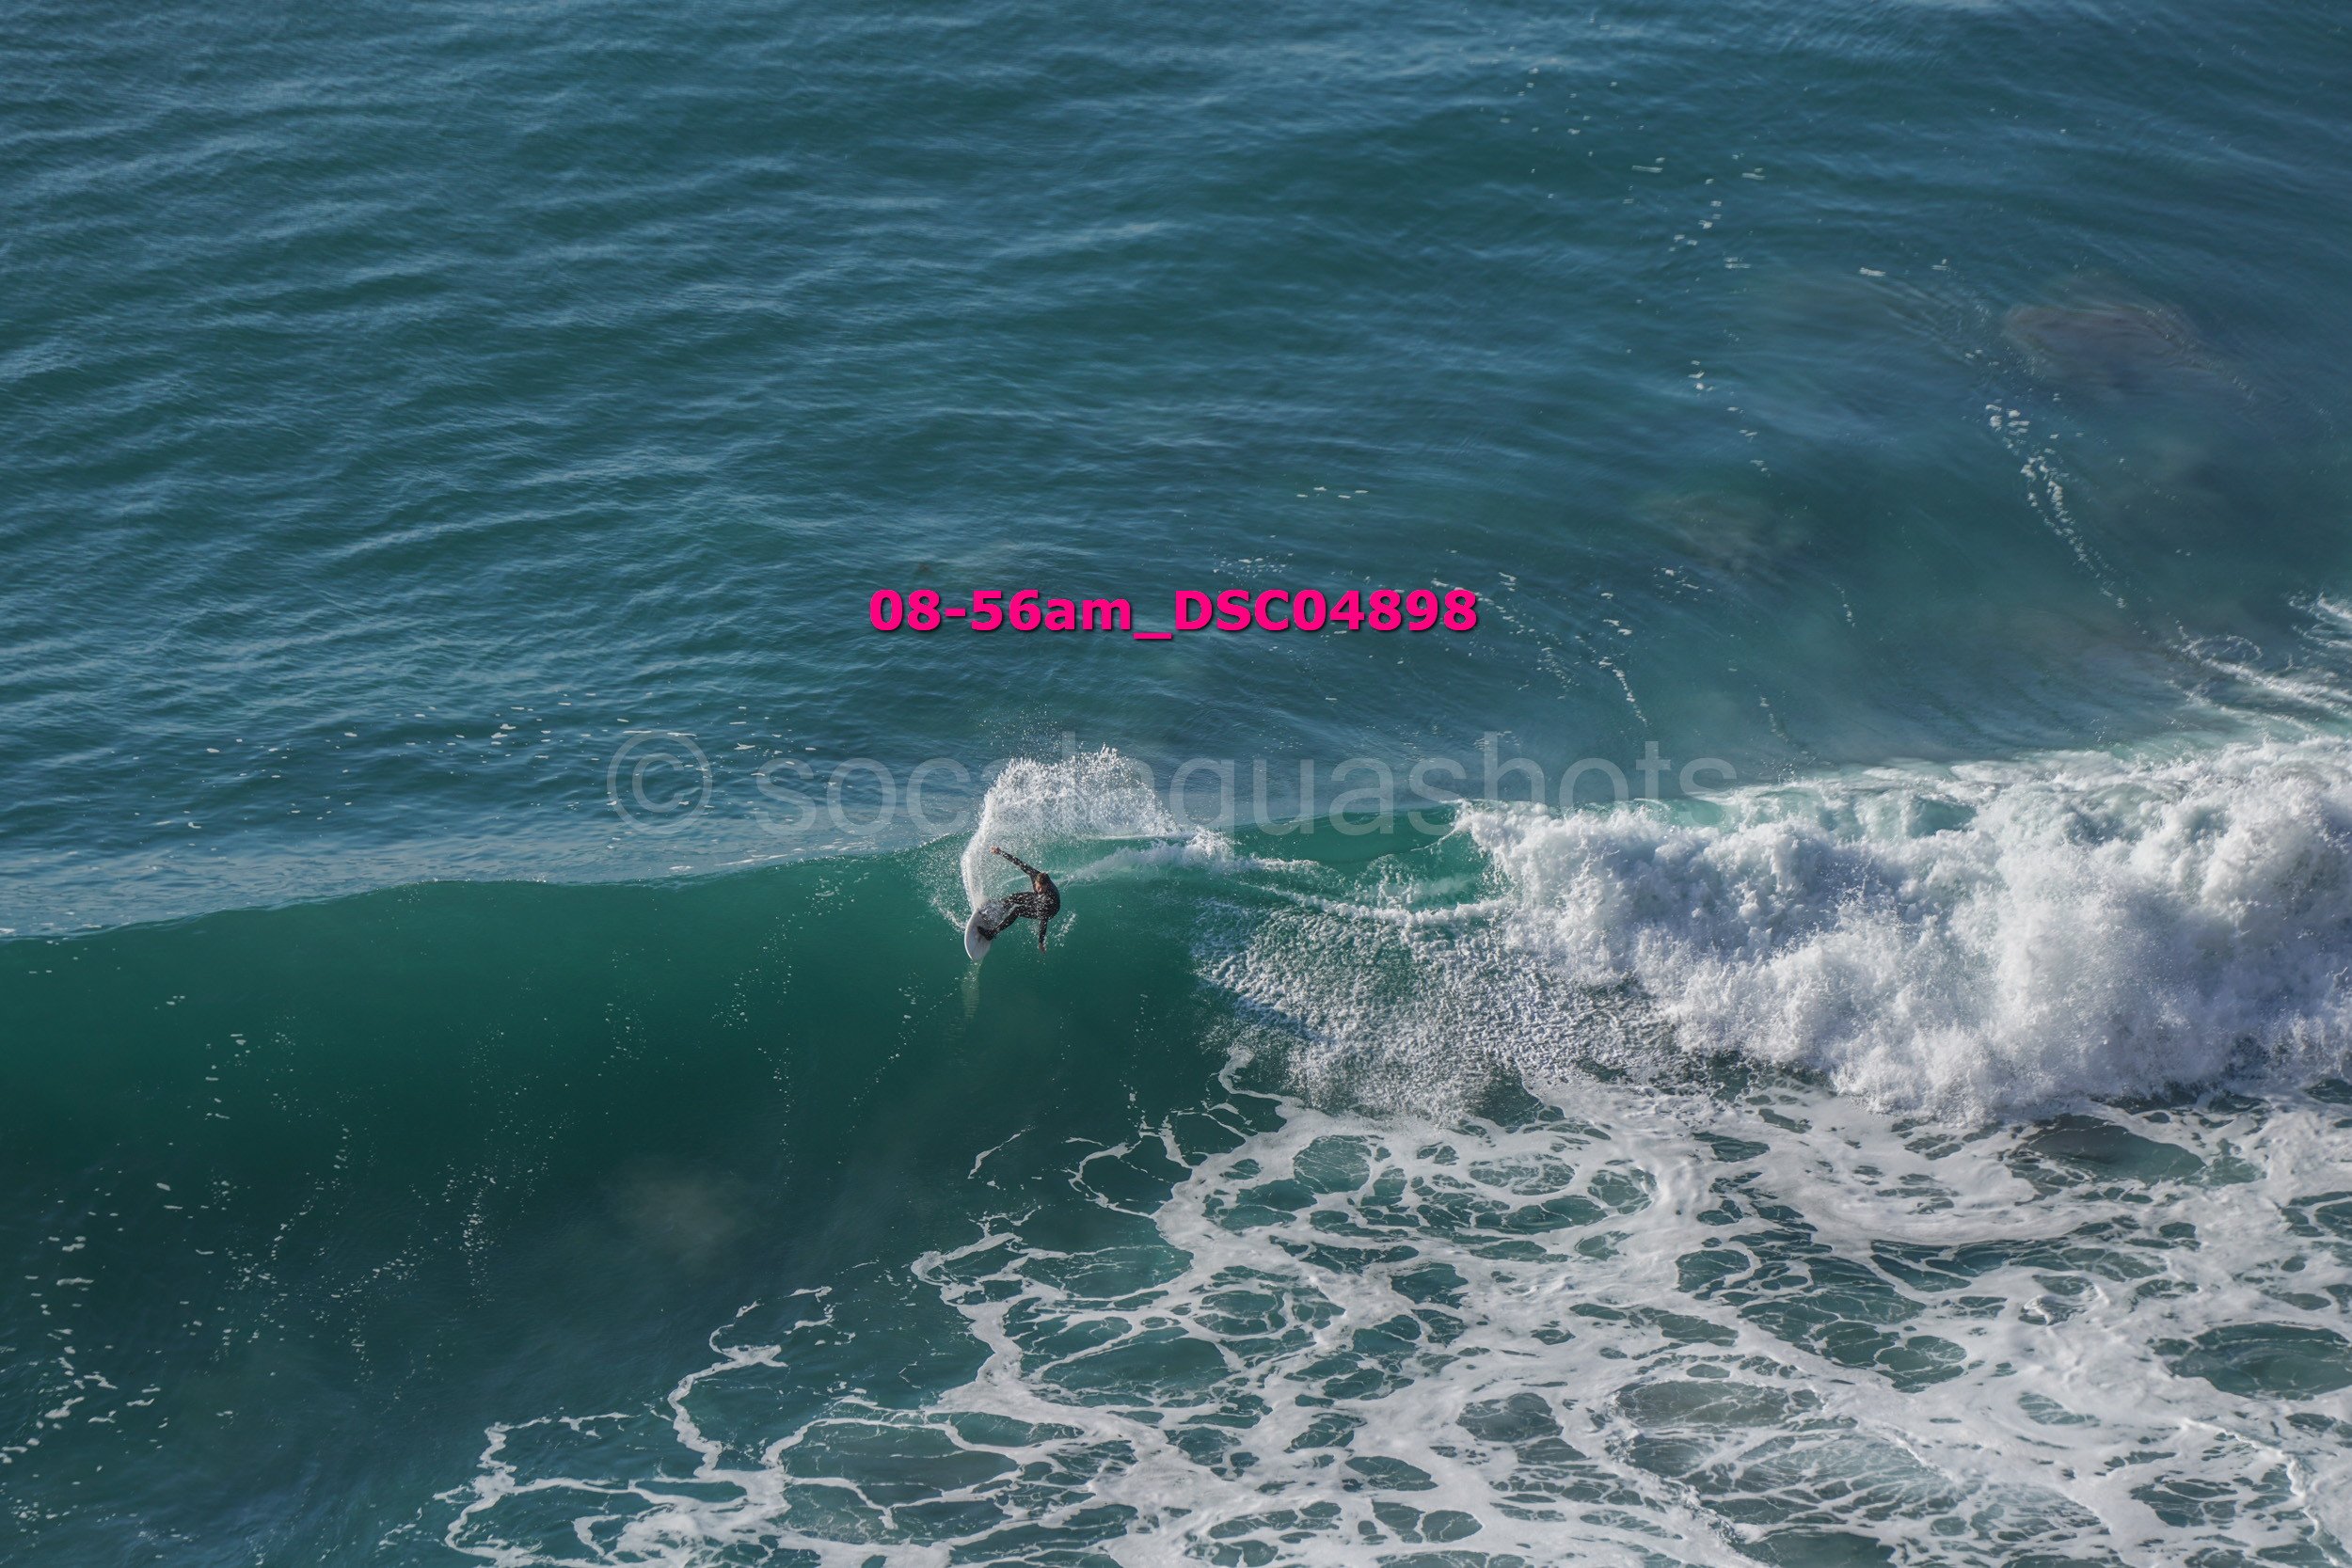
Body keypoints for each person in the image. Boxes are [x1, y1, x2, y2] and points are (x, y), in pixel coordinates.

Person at [974, 846, 1060, 951]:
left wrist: (1041, 941)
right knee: (1013, 897)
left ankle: (992, 933)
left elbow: (1044, 920)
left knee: (1018, 910)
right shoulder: (1034, 874)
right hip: (1038, 898)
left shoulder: (1051, 897)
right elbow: (1018, 862)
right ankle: (999, 910)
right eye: (1038, 887)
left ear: (1047, 885)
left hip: (1050, 909)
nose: (1040, 890)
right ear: (1036, 881)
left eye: (1043, 888)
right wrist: (1000, 852)